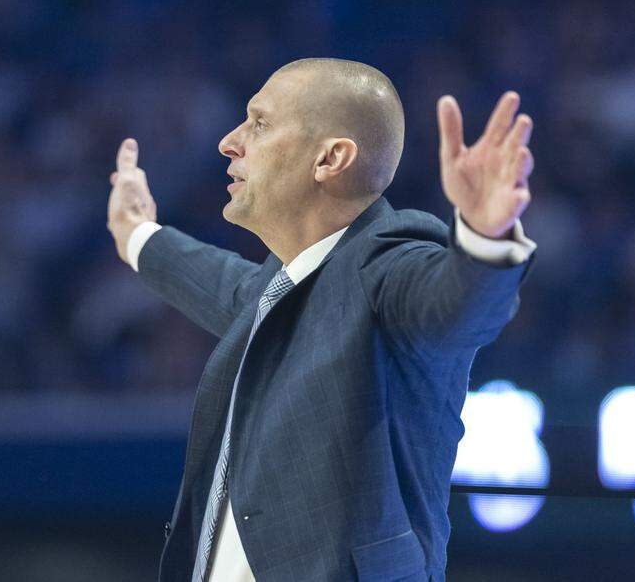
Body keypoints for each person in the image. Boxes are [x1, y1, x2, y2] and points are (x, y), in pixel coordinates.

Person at [107, 58, 536, 582]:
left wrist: (486, 239)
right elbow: (221, 282)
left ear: (330, 158)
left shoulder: (387, 264)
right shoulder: (280, 292)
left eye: (259, 123)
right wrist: (136, 233)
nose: (229, 141)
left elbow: (459, 308)